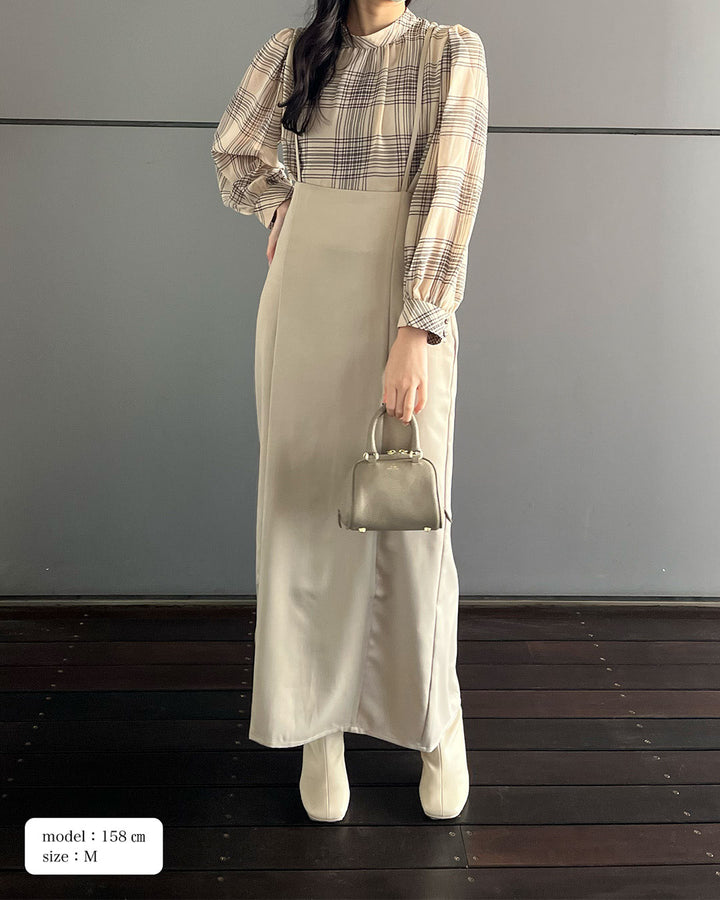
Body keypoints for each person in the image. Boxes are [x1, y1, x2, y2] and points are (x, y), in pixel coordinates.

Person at [210, 0, 489, 822]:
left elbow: (450, 191)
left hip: (399, 300)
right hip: (303, 299)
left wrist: (416, 329)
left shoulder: (450, 52)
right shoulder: (293, 50)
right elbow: (235, 152)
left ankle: (439, 724)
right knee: (303, 515)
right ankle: (316, 725)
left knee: (410, 524)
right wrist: (280, 204)